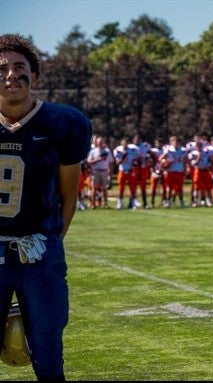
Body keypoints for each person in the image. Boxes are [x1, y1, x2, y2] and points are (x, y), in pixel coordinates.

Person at [0, 34, 92, 380]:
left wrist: (50, 240)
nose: (11, 75)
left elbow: (69, 196)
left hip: (38, 249)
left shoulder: (62, 123)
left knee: (48, 347)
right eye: (2, 69)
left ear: (34, 76)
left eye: (20, 67)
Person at [87, 135, 113, 209]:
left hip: (104, 171)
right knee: (94, 188)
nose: (100, 143)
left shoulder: (107, 151)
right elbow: (89, 161)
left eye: (101, 142)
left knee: (104, 188)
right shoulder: (93, 151)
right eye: (99, 142)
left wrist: (110, 173)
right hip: (96, 171)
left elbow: (111, 163)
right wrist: (98, 159)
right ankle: (93, 204)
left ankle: (105, 204)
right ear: (97, 143)